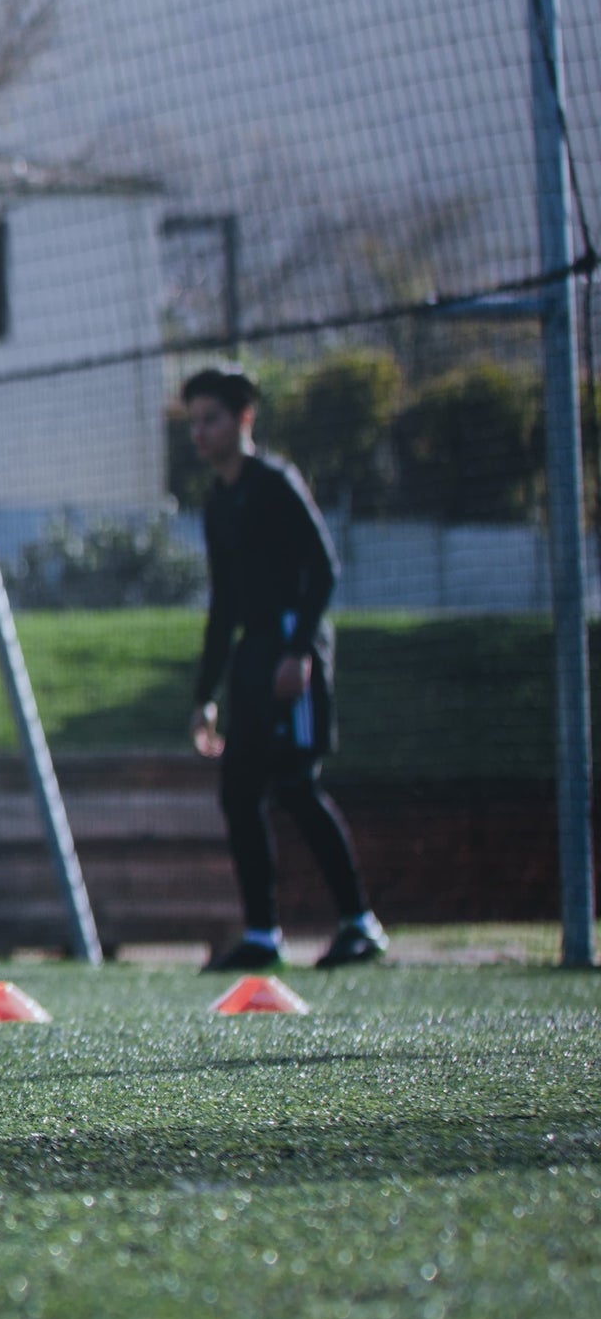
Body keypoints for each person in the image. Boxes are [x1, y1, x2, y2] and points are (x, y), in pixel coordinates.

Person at [182, 368, 389, 971]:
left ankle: (360, 924)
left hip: (292, 646)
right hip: (251, 656)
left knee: (296, 785)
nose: (200, 432)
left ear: (243, 420)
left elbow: (324, 569)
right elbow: (223, 605)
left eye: (211, 419)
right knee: (239, 791)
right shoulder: (218, 502)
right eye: (194, 422)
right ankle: (261, 935)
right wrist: (205, 695)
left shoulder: (276, 483)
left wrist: (299, 652)